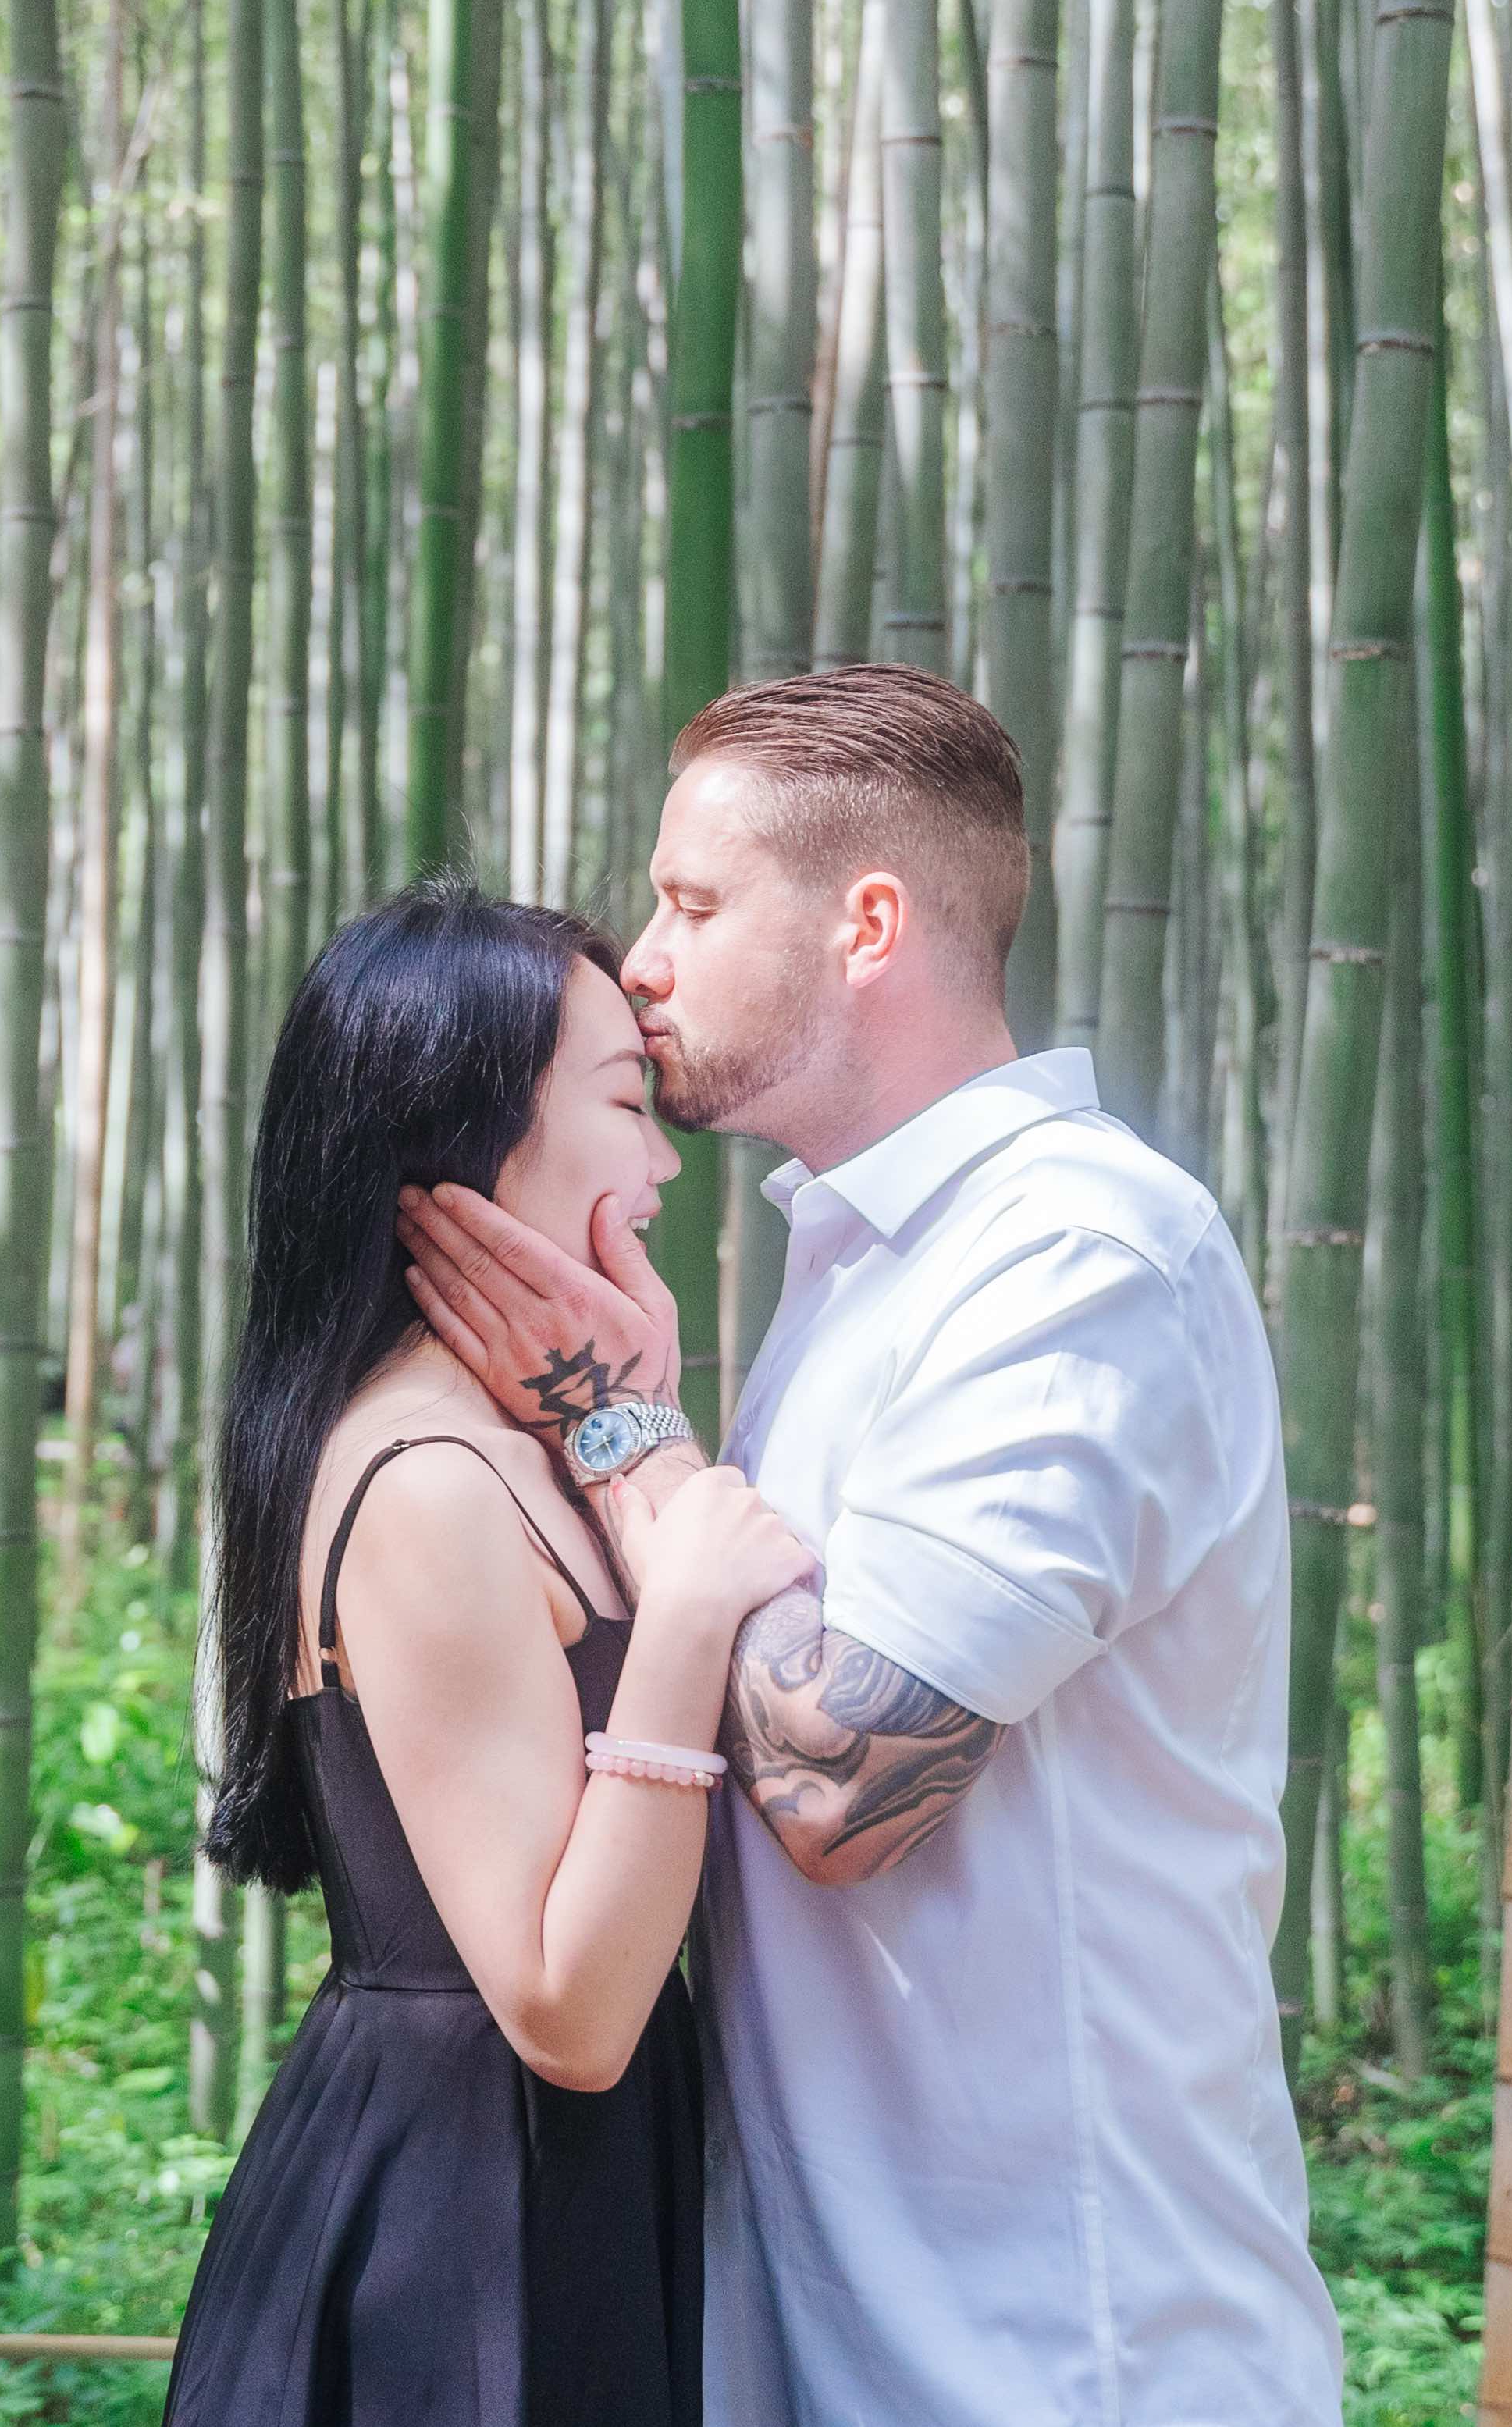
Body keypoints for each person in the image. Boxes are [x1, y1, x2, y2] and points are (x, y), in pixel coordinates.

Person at [399, 664, 1342, 2425]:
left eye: (690, 903)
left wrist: (615, 1423)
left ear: (870, 923)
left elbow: (843, 1777)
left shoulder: (1079, 1252)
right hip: (838, 2325)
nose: (643, 963)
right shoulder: (859, 1265)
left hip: (1070, 2350)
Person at [167, 883, 820, 2427]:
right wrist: (682, 1619)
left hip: (557, 2178)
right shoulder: (425, 1486)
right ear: (461, 1128)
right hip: (459, 2222)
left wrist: (625, 1409)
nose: (664, 1162)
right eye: (622, 1100)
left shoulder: (520, 1441)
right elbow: (564, 2005)